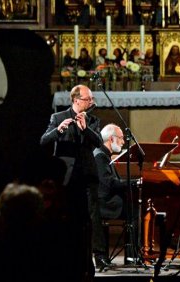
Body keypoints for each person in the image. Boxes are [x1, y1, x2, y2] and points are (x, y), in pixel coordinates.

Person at [40, 84, 102, 282]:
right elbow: (43, 141)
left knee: (88, 220)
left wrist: (85, 130)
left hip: (86, 176)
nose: (91, 102)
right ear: (76, 100)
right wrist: (58, 130)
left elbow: (99, 141)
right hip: (66, 177)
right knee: (67, 219)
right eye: (88, 99)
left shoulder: (92, 120)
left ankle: (89, 263)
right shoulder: (58, 117)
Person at [93, 123, 138, 267]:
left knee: (133, 206)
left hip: (107, 200)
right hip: (103, 204)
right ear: (111, 139)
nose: (123, 142)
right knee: (135, 211)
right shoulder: (100, 156)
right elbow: (109, 183)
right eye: (121, 138)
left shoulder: (104, 154)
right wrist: (133, 183)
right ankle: (132, 255)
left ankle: (133, 255)